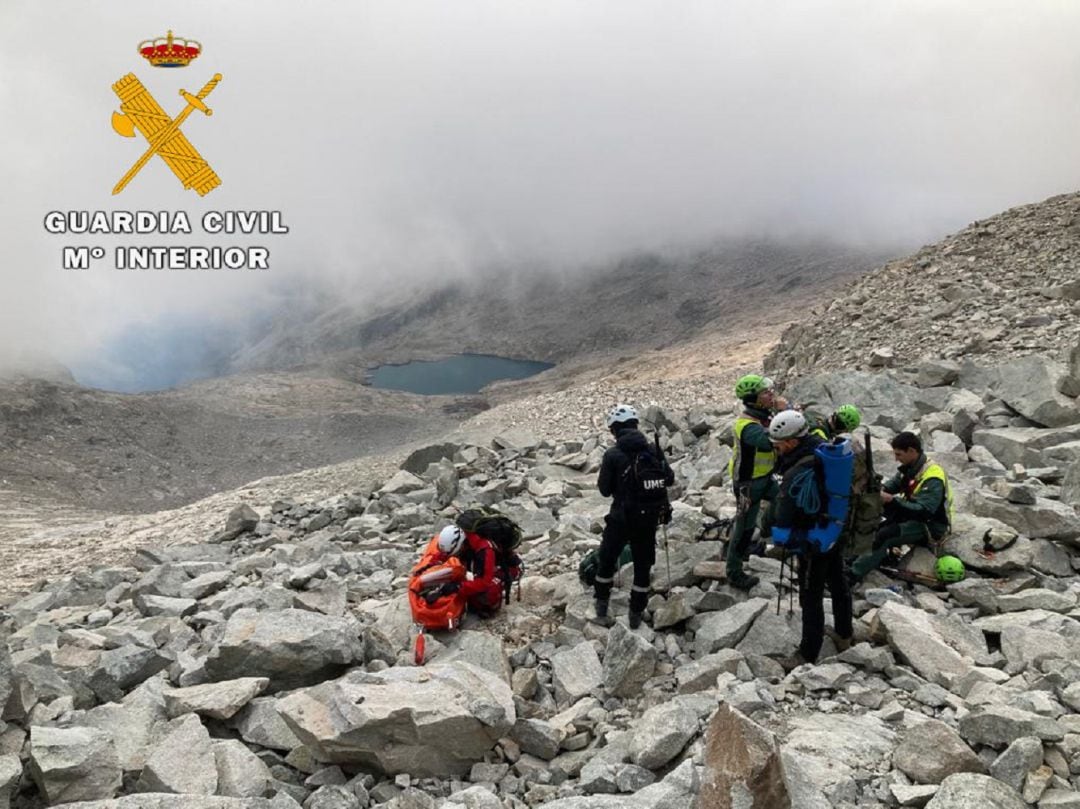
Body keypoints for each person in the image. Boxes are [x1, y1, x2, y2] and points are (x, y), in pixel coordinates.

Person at [768, 410, 853, 666]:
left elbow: (783, 513)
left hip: (812, 537)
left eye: (778, 444)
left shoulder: (799, 468)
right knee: (838, 582)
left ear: (792, 441)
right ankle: (844, 634)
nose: (777, 449)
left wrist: (781, 533)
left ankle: (807, 653)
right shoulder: (820, 450)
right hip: (833, 528)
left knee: (811, 595)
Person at [592, 404, 675, 629]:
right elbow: (669, 478)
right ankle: (635, 616)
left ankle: (601, 609)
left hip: (621, 518)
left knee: (607, 560)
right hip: (648, 518)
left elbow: (604, 490)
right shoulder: (652, 449)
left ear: (614, 430)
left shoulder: (613, 455)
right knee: (642, 565)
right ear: (635, 426)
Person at [850, 431, 953, 580]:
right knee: (874, 527)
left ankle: (852, 575)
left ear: (911, 451)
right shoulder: (911, 468)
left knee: (885, 535)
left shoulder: (933, 476)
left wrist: (892, 501)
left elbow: (923, 511)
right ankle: (854, 559)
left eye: (899, 454)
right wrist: (876, 491)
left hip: (930, 526)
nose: (896, 459)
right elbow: (892, 485)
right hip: (913, 516)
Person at [726, 374, 787, 591]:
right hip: (747, 485)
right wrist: (782, 412)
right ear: (753, 399)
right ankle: (734, 571)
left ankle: (766, 534)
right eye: (765, 393)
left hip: (765, 478)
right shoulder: (747, 426)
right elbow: (771, 441)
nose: (770, 394)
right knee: (744, 527)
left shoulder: (762, 417)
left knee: (785, 500)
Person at [430, 524, 517, 616]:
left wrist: (458, 587)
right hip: (478, 565)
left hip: (502, 569)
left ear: (461, 545)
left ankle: (490, 606)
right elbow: (442, 555)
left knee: (488, 592)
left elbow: (484, 582)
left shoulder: (485, 549)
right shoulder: (463, 541)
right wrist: (430, 567)